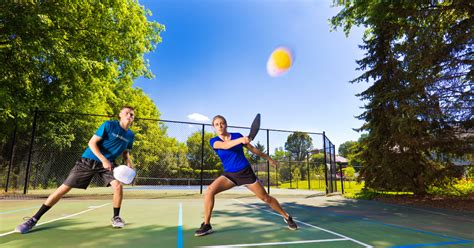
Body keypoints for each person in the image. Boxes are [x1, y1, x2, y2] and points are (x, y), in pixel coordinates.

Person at [15, 106, 136, 234]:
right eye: (127, 113)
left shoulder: (130, 135)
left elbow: (125, 151)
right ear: (120, 115)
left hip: (108, 165)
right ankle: (33, 219)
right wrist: (103, 159)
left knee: (117, 186)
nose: (129, 116)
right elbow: (92, 143)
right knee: (64, 189)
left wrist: (128, 161)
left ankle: (116, 217)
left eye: (132, 114)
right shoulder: (109, 125)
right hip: (89, 160)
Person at [195, 115, 297, 237]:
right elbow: (226, 146)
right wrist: (243, 139)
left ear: (226, 124)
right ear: (214, 127)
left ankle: (287, 217)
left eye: (222, 123)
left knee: (266, 198)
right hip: (230, 175)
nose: (220, 126)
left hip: (245, 173)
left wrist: (269, 159)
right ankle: (207, 225)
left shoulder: (237, 135)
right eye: (217, 124)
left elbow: (253, 149)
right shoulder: (214, 141)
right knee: (210, 191)